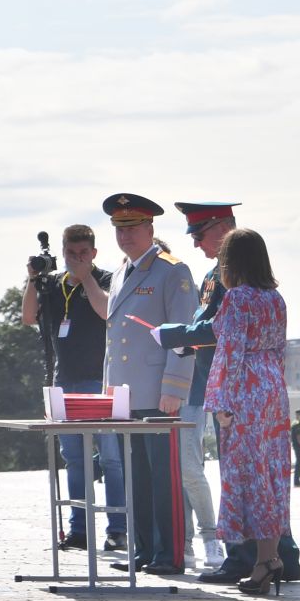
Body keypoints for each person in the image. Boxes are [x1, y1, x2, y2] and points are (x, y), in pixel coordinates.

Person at [99, 194, 196, 575]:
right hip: (126, 393)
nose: (126, 235)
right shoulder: (122, 271)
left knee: (162, 478)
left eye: (133, 227)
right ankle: (143, 549)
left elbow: (184, 336)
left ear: (150, 229)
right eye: (120, 229)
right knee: (136, 476)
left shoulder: (172, 271)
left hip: (158, 392)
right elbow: (114, 339)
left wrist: (174, 389)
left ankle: (168, 554)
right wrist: (109, 393)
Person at [200, 229, 291, 596]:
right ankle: (267, 558)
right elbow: (280, 349)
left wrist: (222, 402)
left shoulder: (237, 297)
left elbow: (230, 351)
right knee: (270, 473)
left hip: (246, 389)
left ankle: (265, 561)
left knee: (250, 475)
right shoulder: (276, 298)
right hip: (272, 386)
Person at [20, 224, 119, 550]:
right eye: (71, 254)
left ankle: (117, 528)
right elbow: (29, 316)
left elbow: (106, 310)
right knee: (74, 459)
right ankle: (79, 528)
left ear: (93, 253)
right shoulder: (54, 285)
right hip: (65, 381)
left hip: (99, 379)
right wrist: (34, 280)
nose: (76, 259)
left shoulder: (106, 279)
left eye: (83, 254)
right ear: (62, 253)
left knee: (110, 459)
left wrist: (86, 275)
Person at [147, 200, 229, 568]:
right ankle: (186, 543)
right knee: (176, 472)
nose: (196, 243)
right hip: (195, 386)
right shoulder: (213, 276)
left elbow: (211, 328)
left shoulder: (228, 277)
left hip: (202, 388)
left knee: (192, 468)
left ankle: (216, 542)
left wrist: (173, 336)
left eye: (200, 233)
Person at [290, 412, 300, 487]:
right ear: (297, 415)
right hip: (298, 446)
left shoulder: (294, 423)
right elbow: (298, 436)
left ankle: (297, 481)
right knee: (299, 463)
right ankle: (297, 482)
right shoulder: (297, 424)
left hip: (296, 445)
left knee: (299, 463)